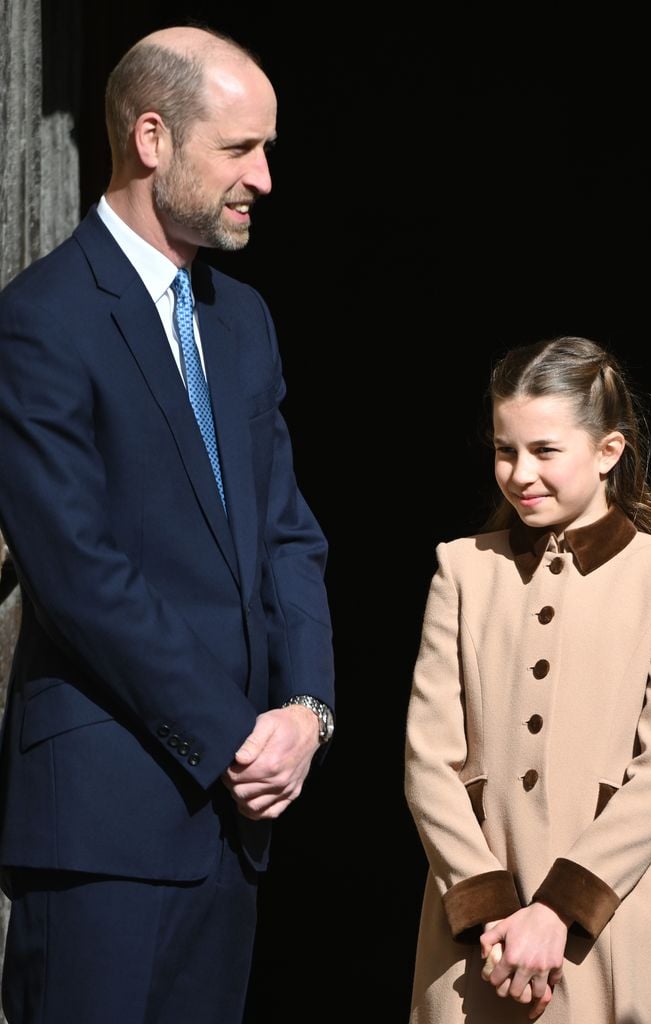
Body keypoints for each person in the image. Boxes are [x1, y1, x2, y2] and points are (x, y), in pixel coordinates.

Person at [0, 25, 335, 1024]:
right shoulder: (41, 318)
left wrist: (306, 712)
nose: (265, 178)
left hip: (233, 827)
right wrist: (237, 732)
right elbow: (78, 570)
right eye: (240, 150)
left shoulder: (243, 321)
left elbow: (288, 535)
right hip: (103, 826)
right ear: (152, 138)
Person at [404, 336, 651, 1023]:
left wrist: (557, 912)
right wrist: (492, 911)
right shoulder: (461, 569)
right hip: (479, 927)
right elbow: (429, 760)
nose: (519, 473)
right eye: (504, 450)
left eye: (545, 452)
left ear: (609, 451)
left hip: (615, 915)